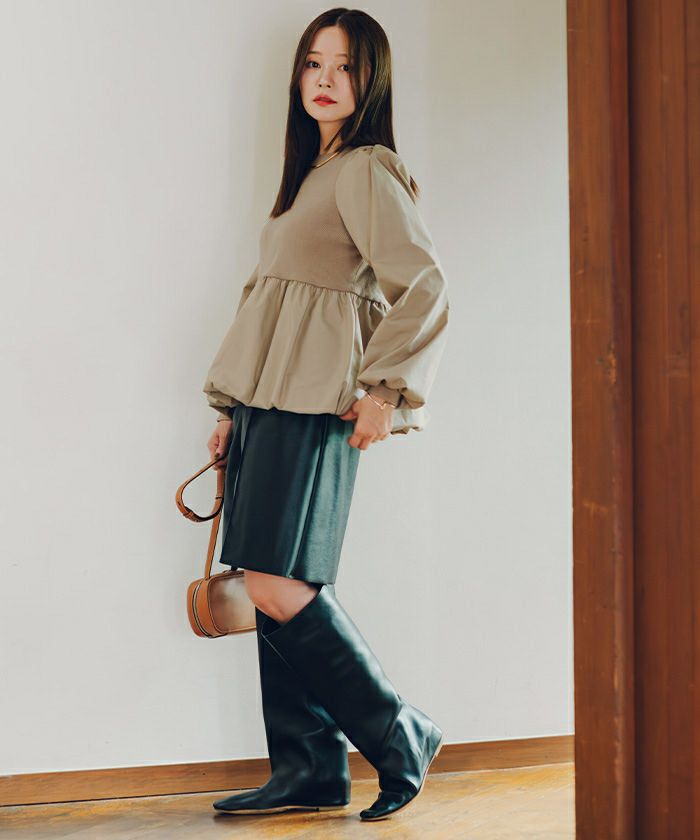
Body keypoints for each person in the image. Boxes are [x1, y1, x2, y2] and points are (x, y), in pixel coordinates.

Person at [201, 7, 450, 822]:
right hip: (270, 402)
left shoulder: (367, 169)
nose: (325, 79)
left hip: (318, 402)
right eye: (314, 63)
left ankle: (398, 731)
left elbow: (425, 286)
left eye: (344, 66)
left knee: (277, 583)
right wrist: (232, 408)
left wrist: (385, 391)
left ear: (371, 80)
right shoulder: (313, 173)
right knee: (278, 582)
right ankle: (308, 769)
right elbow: (269, 303)